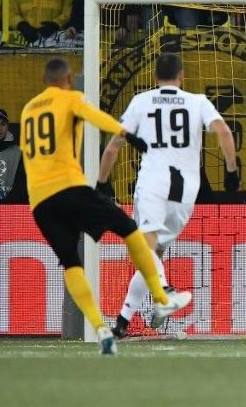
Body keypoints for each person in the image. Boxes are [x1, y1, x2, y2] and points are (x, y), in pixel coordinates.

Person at [20, 58, 192, 355]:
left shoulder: (27, 110)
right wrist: (128, 135)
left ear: (43, 80)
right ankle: (162, 296)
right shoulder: (71, 98)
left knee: (71, 264)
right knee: (130, 229)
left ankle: (102, 328)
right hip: (69, 187)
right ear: (68, 79)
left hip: (39, 201)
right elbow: (97, 118)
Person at [97, 52, 240, 339]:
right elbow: (224, 132)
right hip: (185, 191)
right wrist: (231, 170)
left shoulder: (141, 101)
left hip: (154, 183)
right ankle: (123, 321)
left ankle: (165, 293)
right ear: (181, 76)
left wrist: (101, 183)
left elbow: (113, 146)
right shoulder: (198, 101)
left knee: (143, 249)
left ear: (154, 77)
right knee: (153, 254)